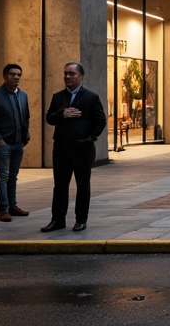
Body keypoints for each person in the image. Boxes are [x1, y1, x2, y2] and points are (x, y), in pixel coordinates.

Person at [40, 61, 107, 233]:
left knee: (82, 184)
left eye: (72, 74)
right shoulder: (58, 97)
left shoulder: (90, 97)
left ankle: (80, 219)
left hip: (82, 149)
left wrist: (91, 138)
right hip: (61, 148)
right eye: (65, 74)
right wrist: (61, 114)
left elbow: (101, 120)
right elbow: (49, 118)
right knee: (60, 185)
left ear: (81, 76)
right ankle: (57, 220)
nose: (68, 77)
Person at [0, 63, 31, 222]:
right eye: (12, 74)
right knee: (3, 177)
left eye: (18, 74)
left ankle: (13, 206)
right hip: (4, 143)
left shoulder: (23, 95)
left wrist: (26, 137)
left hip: (19, 143)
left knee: (13, 177)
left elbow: (26, 117)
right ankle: (4, 209)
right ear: (5, 76)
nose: (16, 77)